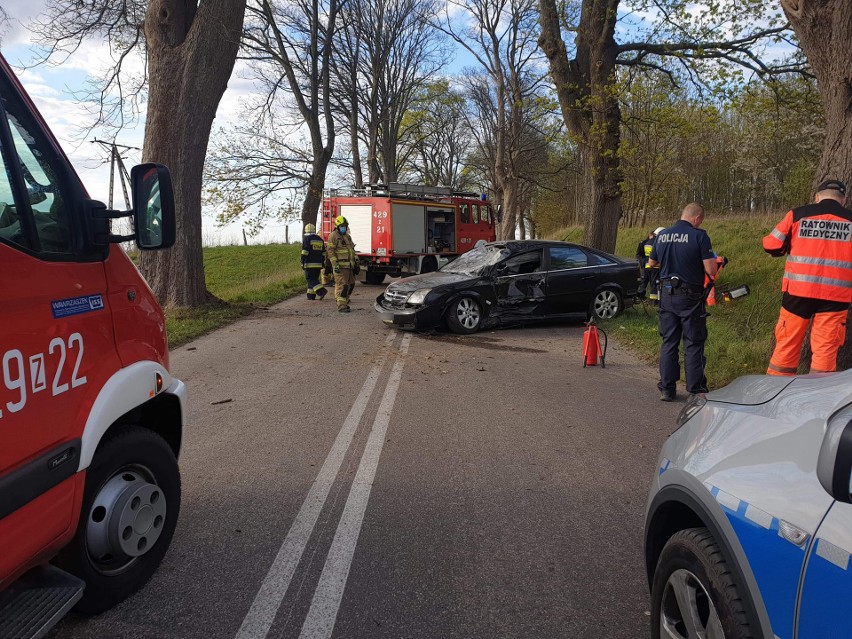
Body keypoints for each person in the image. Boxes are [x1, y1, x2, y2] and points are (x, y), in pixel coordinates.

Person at [762, 179, 852, 375]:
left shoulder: (798, 214)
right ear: (843, 200)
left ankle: (776, 394)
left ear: (817, 197)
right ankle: (816, 402)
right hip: (835, 296)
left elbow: (771, 244)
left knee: (787, 346)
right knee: (825, 352)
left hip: (798, 292)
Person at [647, 203, 718, 401]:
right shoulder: (699, 236)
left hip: (667, 295)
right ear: (696, 219)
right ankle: (695, 390)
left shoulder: (663, 235)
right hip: (690, 297)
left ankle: (667, 389)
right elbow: (711, 270)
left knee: (669, 341)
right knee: (693, 343)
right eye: (700, 221)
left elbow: (652, 263)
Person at [327, 215, 359, 312]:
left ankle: (344, 300)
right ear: (337, 226)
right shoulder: (333, 236)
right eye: (342, 226)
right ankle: (341, 305)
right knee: (342, 285)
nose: (343, 228)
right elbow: (330, 251)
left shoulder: (347, 236)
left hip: (349, 266)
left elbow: (352, 251)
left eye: (345, 226)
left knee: (351, 284)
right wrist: (334, 264)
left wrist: (356, 262)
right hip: (340, 266)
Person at [636, 227, 665, 301]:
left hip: (647, 266)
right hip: (655, 267)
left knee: (644, 281)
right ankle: (654, 300)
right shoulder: (659, 244)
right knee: (654, 284)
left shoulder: (647, 243)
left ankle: (640, 297)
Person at [300, 223, 327, 300]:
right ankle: (311, 296)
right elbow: (323, 253)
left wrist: (302, 261)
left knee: (310, 279)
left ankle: (321, 291)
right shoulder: (320, 239)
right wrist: (322, 262)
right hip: (318, 264)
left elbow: (305, 251)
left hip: (309, 264)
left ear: (306, 231)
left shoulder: (307, 239)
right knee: (314, 279)